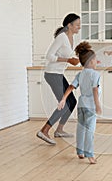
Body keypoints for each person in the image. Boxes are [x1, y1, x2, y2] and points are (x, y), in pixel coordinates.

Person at [36, 13, 81, 145]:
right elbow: (49, 56)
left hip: (58, 74)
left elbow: (72, 58)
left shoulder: (70, 38)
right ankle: (44, 130)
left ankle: (59, 130)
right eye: (77, 25)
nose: (79, 27)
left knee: (71, 102)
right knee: (65, 103)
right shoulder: (61, 37)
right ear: (69, 25)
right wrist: (67, 60)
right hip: (52, 74)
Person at [58, 41, 101, 164]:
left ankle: (80, 151)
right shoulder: (96, 74)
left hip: (81, 106)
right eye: (95, 60)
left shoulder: (80, 74)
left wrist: (63, 99)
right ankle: (90, 155)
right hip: (91, 106)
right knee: (89, 131)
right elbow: (95, 90)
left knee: (81, 129)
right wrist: (97, 105)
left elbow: (71, 87)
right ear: (91, 61)